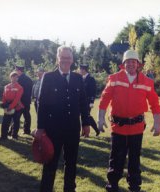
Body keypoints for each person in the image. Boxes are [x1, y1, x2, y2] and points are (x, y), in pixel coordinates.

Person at [98, 49, 160, 192]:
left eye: (134, 62)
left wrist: (158, 123)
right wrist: (100, 118)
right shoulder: (114, 79)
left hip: (136, 128)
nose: (131, 64)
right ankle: (112, 185)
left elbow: (155, 104)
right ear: (123, 64)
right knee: (116, 159)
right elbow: (104, 100)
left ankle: (134, 187)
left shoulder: (147, 81)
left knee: (134, 160)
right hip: (118, 127)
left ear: (138, 64)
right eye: (128, 62)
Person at [35, 45, 90, 192]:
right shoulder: (48, 77)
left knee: (71, 163)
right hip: (53, 129)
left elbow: (83, 102)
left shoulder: (78, 78)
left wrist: (86, 123)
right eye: (63, 57)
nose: (66, 60)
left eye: (68, 58)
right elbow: (42, 104)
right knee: (50, 163)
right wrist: (40, 127)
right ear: (58, 59)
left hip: (73, 129)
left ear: (72, 60)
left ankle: (69, 189)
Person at [0, 71, 24, 140]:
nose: (15, 78)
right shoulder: (6, 86)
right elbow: (4, 96)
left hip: (17, 107)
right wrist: (4, 105)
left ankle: (14, 136)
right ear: (11, 77)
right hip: (7, 106)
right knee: (5, 122)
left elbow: (17, 99)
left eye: (16, 77)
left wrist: (11, 106)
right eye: (13, 77)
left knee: (16, 122)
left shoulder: (20, 87)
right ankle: (3, 136)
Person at [79, 64, 100, 136]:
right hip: (81, 101)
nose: (79, 71)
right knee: (83, 116)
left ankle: (96, 130)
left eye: (80, 69)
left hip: (88, 101)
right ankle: (83, 132)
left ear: (84, 70)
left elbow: (93, 91)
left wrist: (91, 101)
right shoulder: (80, 78)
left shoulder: (91, 79)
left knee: (87, 116)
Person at [15, 62, 33, 135]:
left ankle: (13, 132)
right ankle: (27, 130)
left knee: (16, 117)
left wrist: (18, 101)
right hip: (27, 101)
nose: (15, 71)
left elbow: (18, 91)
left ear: (19, 71)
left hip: (20, 101)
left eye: (16, 70)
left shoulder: (19, 79)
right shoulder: (29, 79)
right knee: (27, 116)